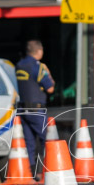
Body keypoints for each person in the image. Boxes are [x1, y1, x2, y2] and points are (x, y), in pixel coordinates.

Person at [15, 39, 55, 178]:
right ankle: (50, 170)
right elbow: (50, 88)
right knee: (48, 139)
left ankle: (31, 173)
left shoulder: (19, 65)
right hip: (37, 110)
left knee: (29, 143)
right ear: (39, 51)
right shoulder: (38, 67)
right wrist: (48, 73)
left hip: (23, 110)